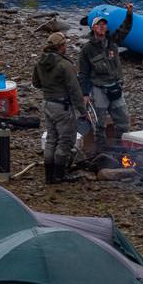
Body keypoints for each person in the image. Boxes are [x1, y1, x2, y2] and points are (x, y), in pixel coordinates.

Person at [32, 32, 87, 185]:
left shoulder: (40, 63)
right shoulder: (65, 65)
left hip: (47, 104)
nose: (66, 47)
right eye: (65, 45)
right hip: (62, 106)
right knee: (66, 140)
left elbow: (36, 83)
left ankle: (48, 176)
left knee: (51, 138)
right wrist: (83, 111)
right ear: (61, 47)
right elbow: (75, 90)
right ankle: (59, 175)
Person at [78, 3, 133, 146]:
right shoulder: (87, 49)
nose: (102, 27)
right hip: (98, 90)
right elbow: (83, 73)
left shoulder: (113, 42)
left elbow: (125, 29)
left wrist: (129, 14)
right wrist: (85, 94)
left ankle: (121, 149)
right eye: (98, 25)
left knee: (123, 122)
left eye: (104, 24)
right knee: (99, 124)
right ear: (93, 28)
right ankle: (101, 151)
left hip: (115, 87)